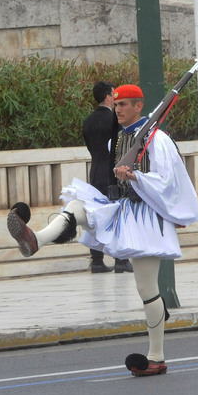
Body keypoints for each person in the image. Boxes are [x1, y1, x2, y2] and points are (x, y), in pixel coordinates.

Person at [6, 84, 198, 376]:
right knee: (76, 206)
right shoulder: (118, 141)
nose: (119, 109)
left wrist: (136, 177)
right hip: (122, 208)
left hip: (147, 218)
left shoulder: (158, 141)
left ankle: (157, 356)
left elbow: (168, 182)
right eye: (118, 104)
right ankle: (36, 240)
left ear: (139, 106)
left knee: (147, 289)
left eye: (125, 105)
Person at [81, 81, 131, 274]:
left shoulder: (88, 120)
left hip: (95, 172)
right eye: (114, 95)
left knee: (95, 216)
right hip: (113, 173)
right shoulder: (114, 119)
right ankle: (121, 259)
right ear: (109, 97)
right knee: (117, 215)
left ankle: (97, 260)